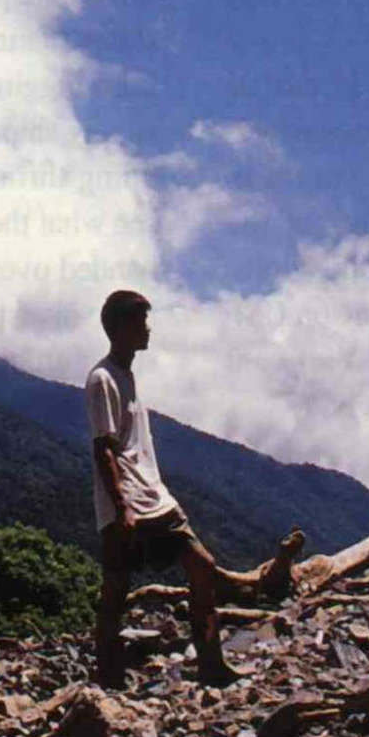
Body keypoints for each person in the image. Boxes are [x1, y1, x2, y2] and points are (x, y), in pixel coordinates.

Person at [85, 289, 236, 689]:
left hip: (155, 497)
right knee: (116, 589)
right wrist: (122, 507)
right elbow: (104, 448)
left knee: (202, 566)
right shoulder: (102, 378)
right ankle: (107, 681)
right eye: (140, 321)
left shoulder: (127, 375)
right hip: (128, 504)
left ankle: (211, 664)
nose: (147, 328)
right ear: (119, 327)